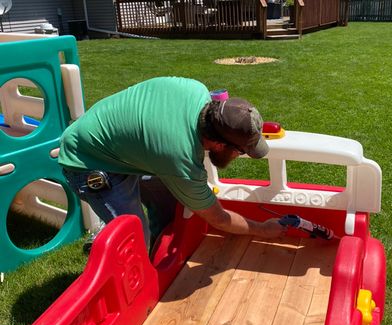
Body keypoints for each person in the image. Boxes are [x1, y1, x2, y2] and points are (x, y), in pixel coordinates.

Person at [58, 76, 285, 252]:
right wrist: (264, 229)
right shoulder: (181, 160)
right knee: (135, 237)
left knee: (167, 201)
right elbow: (218, 218)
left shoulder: (195, 89)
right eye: (239, 151)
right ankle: (111, 251)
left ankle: (157, 257)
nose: (239, 156)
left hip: (125, 147)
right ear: (218, 144)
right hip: (87, 160)